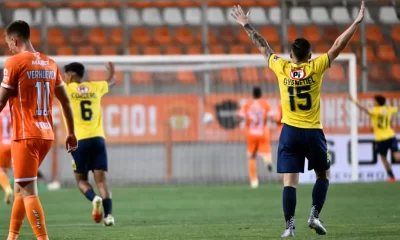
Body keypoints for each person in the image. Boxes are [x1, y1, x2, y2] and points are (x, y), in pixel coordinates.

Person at [232, 1, 365, 237]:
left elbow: (263, 47)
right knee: (323, 175)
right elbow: (337, 45)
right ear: (310, 55)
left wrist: (246, 24)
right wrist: (355, 23)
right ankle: (314, 215)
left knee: (289, 183)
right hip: (313, 131)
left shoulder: (281, 67)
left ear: (291, 55)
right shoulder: (316, 66)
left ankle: (289, 227)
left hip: (290, 132)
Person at [0, 20, 77, 240]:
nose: (10, 48)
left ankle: (43, 238)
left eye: (9, 44)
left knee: (28, 192)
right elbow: (66, 102)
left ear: (15, 40)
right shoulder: (50, 63)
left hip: (25, 135)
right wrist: (71, 133)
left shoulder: (14, 62)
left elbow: (0, 102)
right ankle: (11, 237)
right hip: (45, 135)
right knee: (20, 187)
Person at [63, 61, 116, 226]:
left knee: (81, 181)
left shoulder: (65, 89)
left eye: (66, 74)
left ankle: (94, 199)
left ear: (70, 75)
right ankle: (109, 216)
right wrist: (111, 70)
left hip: (78, 141)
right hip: (98, 139)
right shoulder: (95, 87)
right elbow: (112, 81)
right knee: (101, 181)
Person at [350, 94, 400, 182]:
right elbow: (398, 108)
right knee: (396, 156)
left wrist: (353, 101)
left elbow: (363, 109)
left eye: (374, 101)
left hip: (380, 139)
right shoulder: (388, 109)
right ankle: (391, 177)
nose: (373, 102)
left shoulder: (374, 111)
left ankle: (392, 177)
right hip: (391, 136)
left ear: (377, 102)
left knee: (384, 159)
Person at [237, 86, 273, 188]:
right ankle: (267, 162)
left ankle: (254, 181)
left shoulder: (247, 105)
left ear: (252, 94)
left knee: (251, 157)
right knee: (266, 152)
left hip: (251, 133)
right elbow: (271, 117)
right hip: (263, 133)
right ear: (260, 94)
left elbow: (240, 116)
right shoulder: (265, 104)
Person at [0, 102, 13, 204]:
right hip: (14, 142)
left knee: (1, 170)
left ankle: (8, 189)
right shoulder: (12, 105)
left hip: (2, 143)